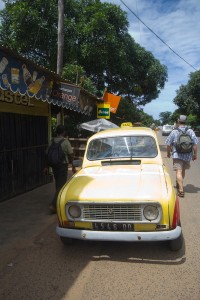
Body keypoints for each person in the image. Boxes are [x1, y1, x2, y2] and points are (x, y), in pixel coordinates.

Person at [165, 115, 198, 197]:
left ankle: (180, 189)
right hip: (187, 154)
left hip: (177, 154)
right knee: (183, 171)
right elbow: (195, 144)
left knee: (178, 171)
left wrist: (168, 153)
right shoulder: (190, 131)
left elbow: (168, 144)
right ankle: (180, 184)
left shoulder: (174, 131)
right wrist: (195, 154)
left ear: (178, 120)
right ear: (185, 121)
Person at [46, 125, 76, 213]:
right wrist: (73, 166)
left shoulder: (52, 141)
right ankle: (53, 205)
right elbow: (71, 154)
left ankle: (58, 202)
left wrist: (46, 166)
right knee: (61, 185)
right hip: (62, 166)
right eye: (65, 131)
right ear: (63, 132)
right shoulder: (65, 142)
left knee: (58, 184)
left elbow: (47, 154)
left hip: (54, 165)